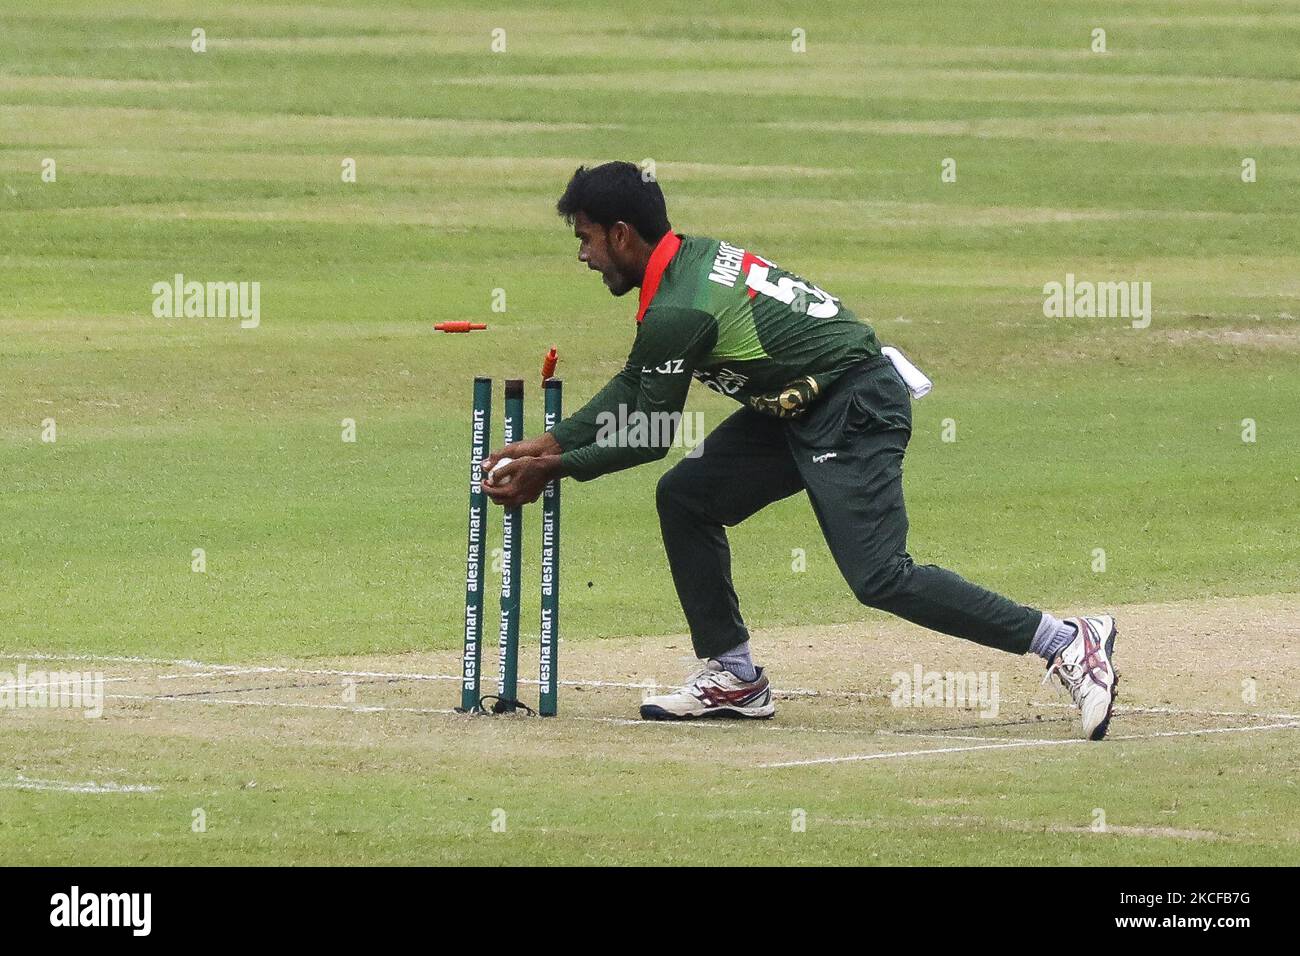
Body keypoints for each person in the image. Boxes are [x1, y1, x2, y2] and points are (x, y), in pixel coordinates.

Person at [482, 161, 1119, 739]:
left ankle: (1066, 641)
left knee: (878, 576)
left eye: (586, 238)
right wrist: (549, 440)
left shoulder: (682, 305)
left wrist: (553, 470)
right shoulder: (685, 263)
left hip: (852, 405)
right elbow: (636, 378)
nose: (585, 256)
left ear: (622, 234)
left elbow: (651, 432)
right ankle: (733, 675)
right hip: (794, 405)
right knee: (687, 497)